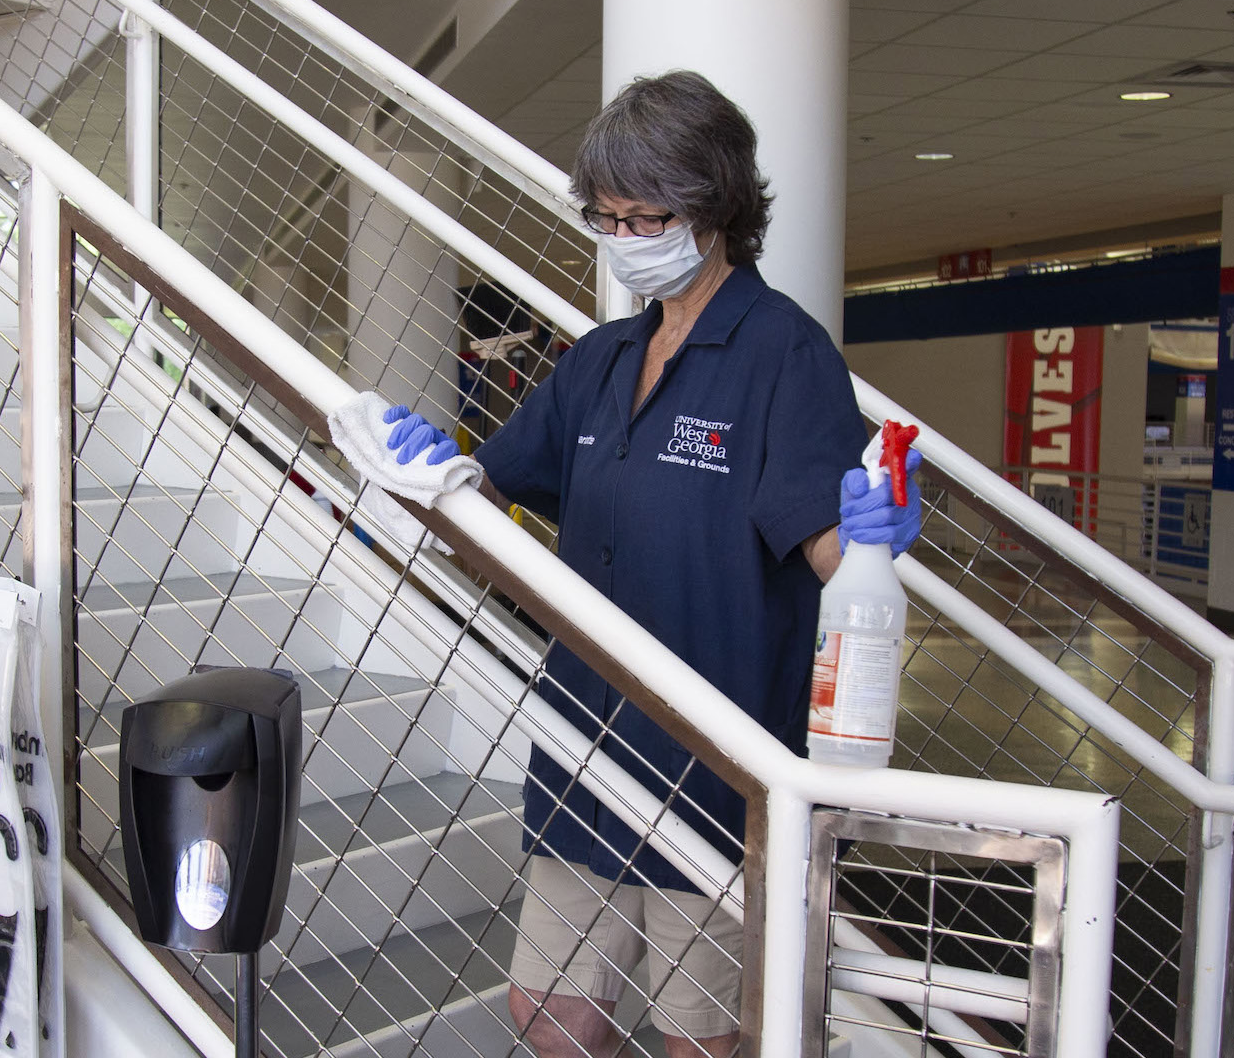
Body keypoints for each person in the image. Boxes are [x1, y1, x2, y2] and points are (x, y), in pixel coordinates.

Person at [376, 71, 925, 1058]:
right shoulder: (600, 360)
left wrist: (875, 537)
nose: (625, 238)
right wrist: (431, 478)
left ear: (715, 211)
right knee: (553, 1016)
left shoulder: (781, 355)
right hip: (584, 746)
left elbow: (830, 547)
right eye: (608, 217)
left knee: (699, 1035)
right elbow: (490, 493)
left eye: (647, 216)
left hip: (709, 769)